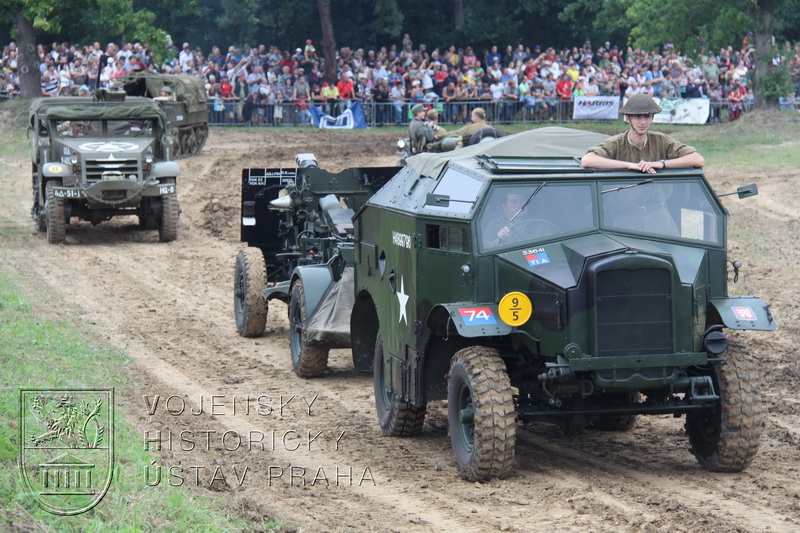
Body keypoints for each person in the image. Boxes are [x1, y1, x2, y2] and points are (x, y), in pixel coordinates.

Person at [580, 94, 704, 174]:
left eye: (647, 117)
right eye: (638, 117)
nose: (643, 122)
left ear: (652, 118)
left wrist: (662, 164)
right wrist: (629, 166)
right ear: (628, 119)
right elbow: (587, 160)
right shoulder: (617, 143)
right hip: (622, 208)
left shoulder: (661, 141)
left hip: (657, 206)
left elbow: (697, 159)